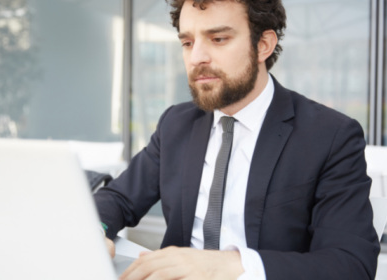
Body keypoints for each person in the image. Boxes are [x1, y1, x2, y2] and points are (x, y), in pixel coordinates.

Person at [94, 0, 380, 279]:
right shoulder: (176, 124)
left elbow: (350, 264)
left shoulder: (330, 136)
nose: (196, 58)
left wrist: (231, 266)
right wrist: (93, 230)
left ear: (263, 45)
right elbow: (118, 198)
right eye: (187, 43)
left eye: (218, 39)